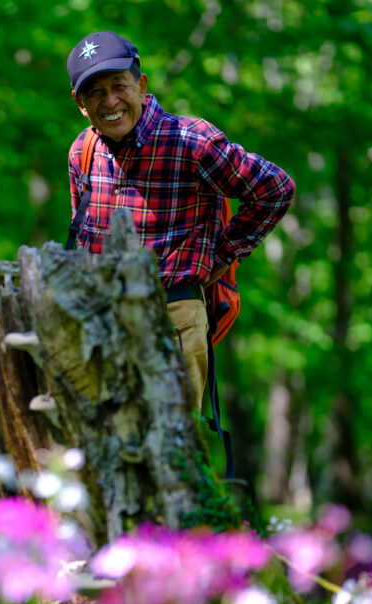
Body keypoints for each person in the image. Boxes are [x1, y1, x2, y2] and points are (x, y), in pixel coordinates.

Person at [66, 31, 295, 405]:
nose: (110, 101)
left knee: (164, 453)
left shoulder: (192, 141)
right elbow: (82, 234)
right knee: (91, 453)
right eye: (95, 92)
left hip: (171, 319)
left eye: (118, 85)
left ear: (141, 85)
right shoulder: (83, 151)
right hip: (96, 323)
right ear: (80, 103)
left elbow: (275, 188)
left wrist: (220, 257)